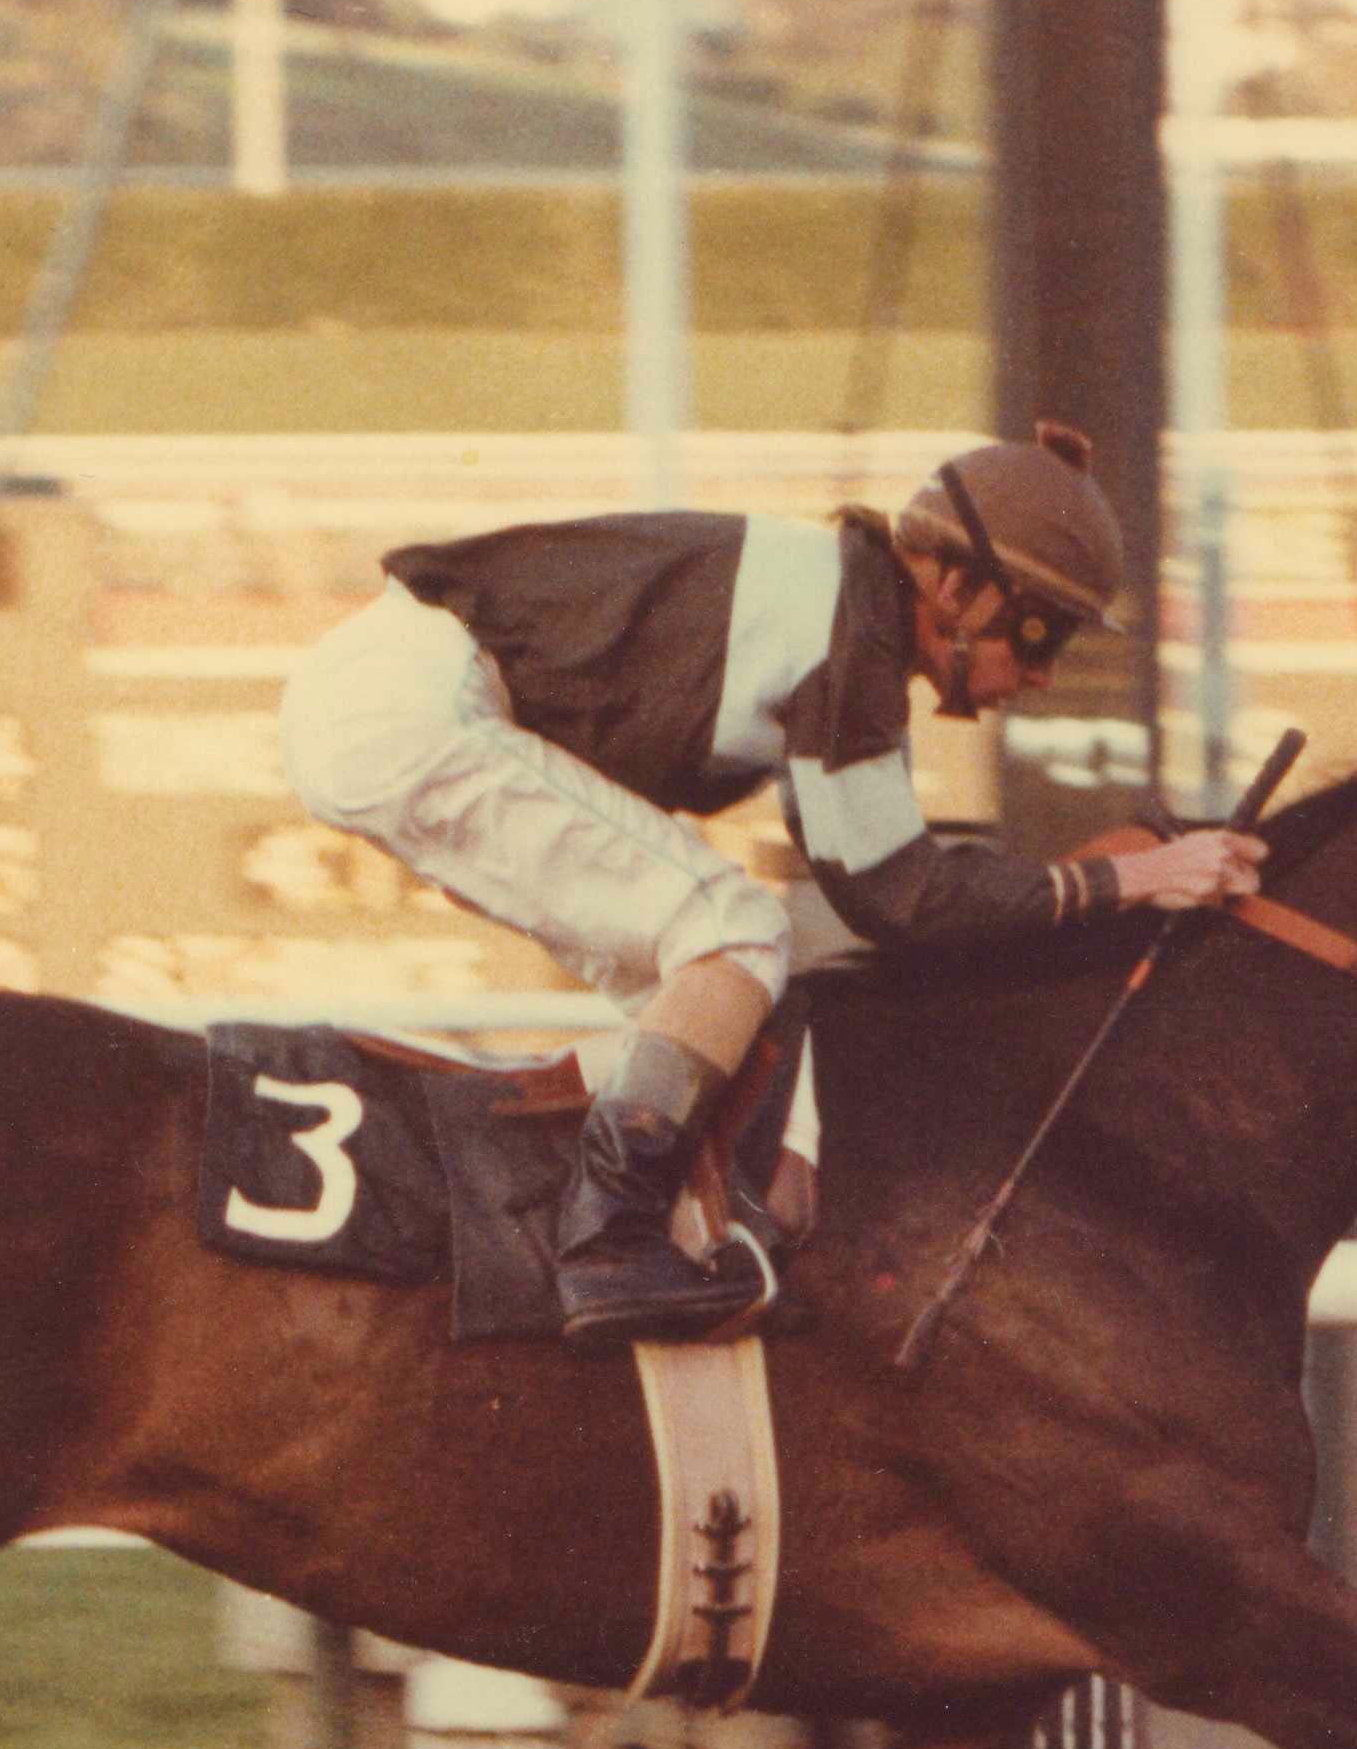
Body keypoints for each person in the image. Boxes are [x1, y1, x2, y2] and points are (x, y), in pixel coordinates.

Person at [272, 421, 1262, 1337]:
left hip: (386, 701)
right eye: (1039, 632)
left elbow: (855, 907)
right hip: (413, 706)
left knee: (729, 976)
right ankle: (606, 1244)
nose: (1039, 674)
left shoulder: (845, 611)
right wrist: (1132, 883)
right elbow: (901, 896)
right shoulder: (851, 634)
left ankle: (701, 1217)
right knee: (731, 925)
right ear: (956, 588)